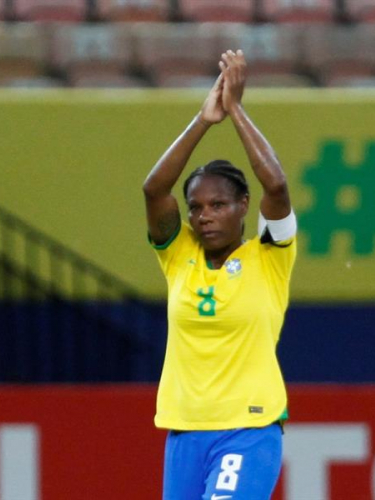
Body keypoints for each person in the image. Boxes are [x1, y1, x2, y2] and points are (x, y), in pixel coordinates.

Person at [142, 50, 298, 500]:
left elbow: (277, 186)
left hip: (248, 428)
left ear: (243, 206)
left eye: (218, 205)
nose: (204, 216)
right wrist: (203, 120)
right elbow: (154, 189)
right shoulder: (179, 254)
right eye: (195, 207)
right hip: (185, 431)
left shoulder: (269, 254)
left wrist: (235, 111)